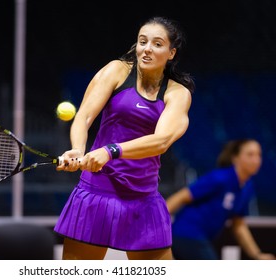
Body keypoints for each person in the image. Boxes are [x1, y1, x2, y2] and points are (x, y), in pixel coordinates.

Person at [54, 16, 194, 260]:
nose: (147, 48)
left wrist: (110, 151)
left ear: (171, 52)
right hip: (96, 192)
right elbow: (84, 116)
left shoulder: (177, 93)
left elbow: (161, 141)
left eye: (157, 44)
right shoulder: (117, 71)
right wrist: (78, 150)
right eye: (142, 41)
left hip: (143, 198)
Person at [166, 139, 275, 260]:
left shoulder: (247, 186)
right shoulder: (220, 177)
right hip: (185, 234)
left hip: (202, 238)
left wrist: (257, 254)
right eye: (250, 154)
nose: (256, 160)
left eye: (259, 155)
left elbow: (238, 224)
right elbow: (181, 196)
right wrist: (158, 225)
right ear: (235, 158)